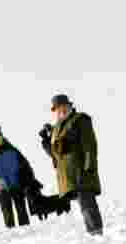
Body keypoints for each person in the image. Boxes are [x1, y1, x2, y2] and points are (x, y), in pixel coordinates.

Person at [46, 94, 104, 236]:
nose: (61, 111)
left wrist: (89, 166)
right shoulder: (57, 129)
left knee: (87, 203)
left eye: (64, 107)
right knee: (84, 205)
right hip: (69, 175)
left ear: (70, 106)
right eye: (58, 109)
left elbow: (89, 145)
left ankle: (96, 234)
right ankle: (93, 234)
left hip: (81, 171)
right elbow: (56, 155)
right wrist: (46, 141)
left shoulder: (79, 120)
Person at [0, 126, 36, 229]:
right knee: (7, 213)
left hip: (16, 184)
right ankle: (11, 234)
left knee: (21, 210)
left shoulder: (13, 151)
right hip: (1, 188)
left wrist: (29, 179)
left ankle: (26, 231)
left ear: (2, 137)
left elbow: (25, 165)